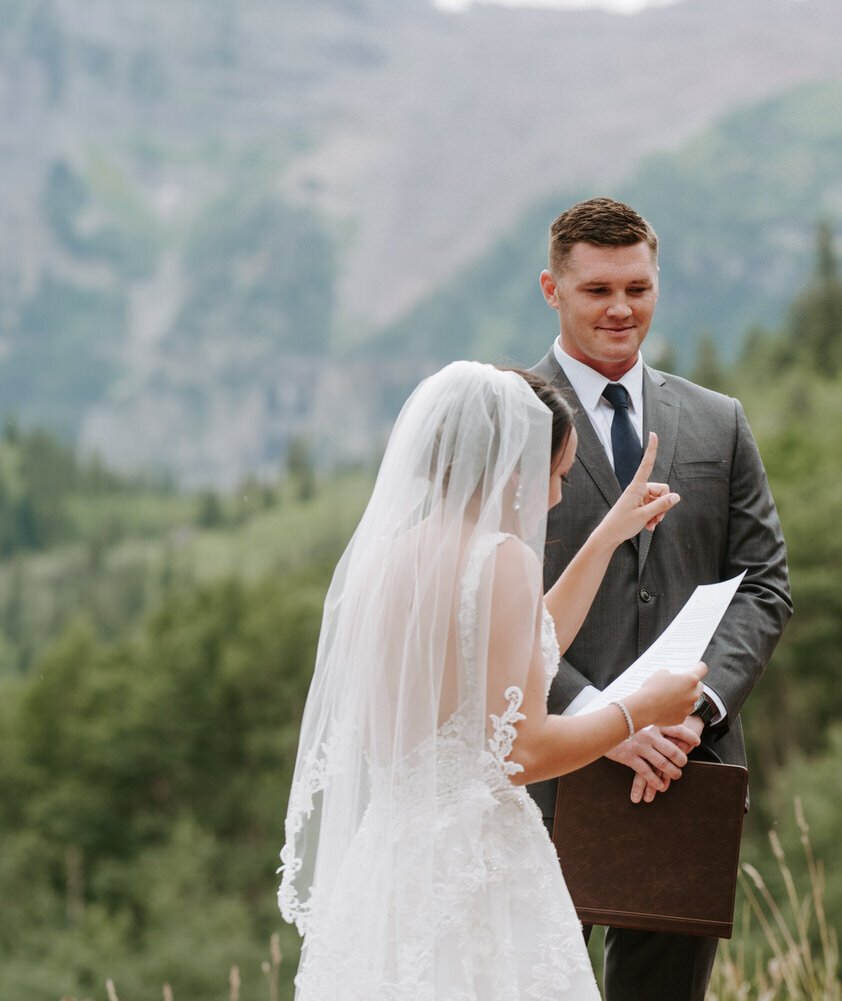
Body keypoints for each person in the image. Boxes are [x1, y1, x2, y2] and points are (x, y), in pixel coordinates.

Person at [278, 361, 705, 1001]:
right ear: (512, 468)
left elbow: (522, 649)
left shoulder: (386, 560)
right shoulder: (498, 559)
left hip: (393, 862)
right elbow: (521, 751)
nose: (558, 495)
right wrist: (638, 709)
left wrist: (608, 537)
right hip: (476, 872)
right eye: (555, 475)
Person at [529, 197, 792, 1001]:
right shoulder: (507, 421)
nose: (620, 308)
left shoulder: (719, 422)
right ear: (552, 289)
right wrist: (602, 720)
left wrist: (695, 710)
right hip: (544, 775)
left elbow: (765, 581)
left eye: (637, 288)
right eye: (597, 289)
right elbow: (486, 608)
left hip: (687, 769)